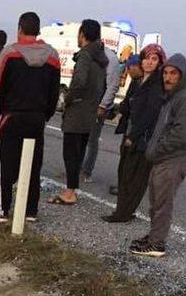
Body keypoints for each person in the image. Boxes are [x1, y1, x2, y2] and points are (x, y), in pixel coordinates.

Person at [0, 11, 61, 223]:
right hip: (37, 118)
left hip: (11, 116)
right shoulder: (52, 56)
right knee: (32, 165)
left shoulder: (9, 53)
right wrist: (45, 114)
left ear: (20, 28)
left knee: (5, 165)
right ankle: (30, 211)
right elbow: (54, 92)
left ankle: (3, 210)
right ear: (37, 30)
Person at [130, 54, 186, 257]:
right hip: (162, 159)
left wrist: (156, 150)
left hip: (173, 160)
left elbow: (182, 135)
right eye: (166, 73)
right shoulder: (172, 97)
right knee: (156, 201)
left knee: (162, 204)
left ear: (182, 75)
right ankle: (153, 236)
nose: (168, 78)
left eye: (173, 74)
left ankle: (157, 244)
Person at [102, 45, 166, 222]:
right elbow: (129, 105)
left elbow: (150, 115)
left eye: (154, 59)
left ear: (160, 62)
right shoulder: (139, 80)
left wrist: (133, 136)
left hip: (144, 138)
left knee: (135, 177)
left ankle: (123, 213)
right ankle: (123, 210)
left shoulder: (156, 85)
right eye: (146, 58)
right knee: (124, 172)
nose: (148, 62)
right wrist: (115, 111)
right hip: (131, 133)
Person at [49, 19, 108, 206]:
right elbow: (102, 85)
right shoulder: (102, 58)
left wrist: (68, 98)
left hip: (77, 111)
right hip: (90, 111)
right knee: (79, 151)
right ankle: (72, 189)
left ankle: (69, 192)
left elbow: (79, 81)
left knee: (70, 152)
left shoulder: (85, 56)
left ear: (82, 34)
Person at [80, 45, 122, 181]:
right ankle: (78, 168)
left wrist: (103, 106)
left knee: (92, 140)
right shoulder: (90, 54)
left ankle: (86, 171)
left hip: (98, 105)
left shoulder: (110, 58)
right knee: (81, 138)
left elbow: (112, 85)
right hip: (86, 103)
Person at [108, 54, 143, 195]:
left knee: (128, 159)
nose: (127, 71)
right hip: (129, 124)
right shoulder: (136, 81)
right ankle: (123, 185)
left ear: (136, 66)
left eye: (129, 68)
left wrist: (120, 109)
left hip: (134, 128)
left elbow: (132, 104)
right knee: (125, 157)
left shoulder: (141, 83)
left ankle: (125, 188)